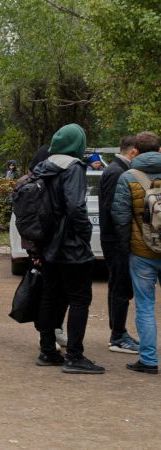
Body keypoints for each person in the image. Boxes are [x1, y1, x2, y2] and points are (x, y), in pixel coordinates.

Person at [31, 124, 102, 374]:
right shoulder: (73, 168)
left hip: (47, 244)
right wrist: (84, 234)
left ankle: (47, 351)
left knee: (51, 296)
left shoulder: (42, 168)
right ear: (77, 145)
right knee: (80, 299)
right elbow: (75, 207)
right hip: (71, 245)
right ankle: (75, 356)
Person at [111, 131, 161, 374]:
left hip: (142, 253)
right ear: (159, 150)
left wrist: (127, 246)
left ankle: (149, 360)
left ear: (136, 151)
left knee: (145, 306)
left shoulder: (128, 177)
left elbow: (120, 218)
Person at [98, 135, 141, 354]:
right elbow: (114, 211)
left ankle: (118, 331)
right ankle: (118, 335)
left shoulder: (114, 170)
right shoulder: (118, 172)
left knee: (118, 285)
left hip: (113, 238)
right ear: (134, 152)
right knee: (120, 286)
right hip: (116, 240)